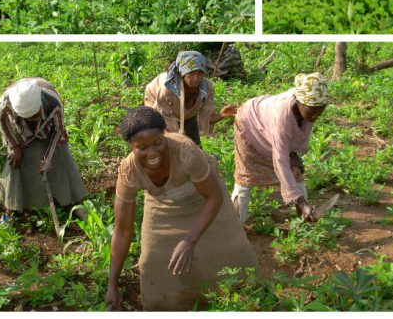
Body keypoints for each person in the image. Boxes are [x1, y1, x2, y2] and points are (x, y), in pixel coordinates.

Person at [106, 106, 257, 310]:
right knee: (154, 263)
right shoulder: (129, 172)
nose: (152, 153)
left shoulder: (185, 150)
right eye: (142, 148)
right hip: (163, 202)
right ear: (131, 147)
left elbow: (213, 196)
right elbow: (123, 231)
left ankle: (243, 295)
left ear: (165, 136)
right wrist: (112, 284)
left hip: (203, 196)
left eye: (158, 143)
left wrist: (189, 240)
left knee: (231, 253)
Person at [230, 73, 330, 224]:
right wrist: (302, 203)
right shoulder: (282, 116)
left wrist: (294, 159)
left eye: (321, 109)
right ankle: (234, 227)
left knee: (295, 173)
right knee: (245, 180)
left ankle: (304, 223)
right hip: (249, 125)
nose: (316, 114)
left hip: (270, 129)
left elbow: (295, 139)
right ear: (299, 102)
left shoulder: (310, 107)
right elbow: (281, 160)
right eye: (312, 109)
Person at [0, 78, 88, 220]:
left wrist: (48, 157)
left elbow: (58, 131)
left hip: (49, 129)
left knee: (61, 155)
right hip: (19, 131)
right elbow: (2, 122)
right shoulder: (5, 104)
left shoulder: (53, 103)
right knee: (15, 161)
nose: (32, 120)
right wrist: (14, 146)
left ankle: (74, 202)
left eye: (35, 116)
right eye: (29, 117)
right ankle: (11, 209)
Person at [143, 51, 236, 147]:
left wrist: (221, 115)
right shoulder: (168, 90)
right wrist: (175, 141)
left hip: (185, 114)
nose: (196, 78)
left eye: (200, 73)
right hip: (155, 102)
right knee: (168, 144)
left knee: (195, 147)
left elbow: (205, 118)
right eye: (191, 73)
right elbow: (163, 122)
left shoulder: (206, 89)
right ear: (182, 73)